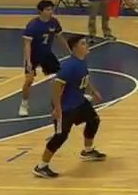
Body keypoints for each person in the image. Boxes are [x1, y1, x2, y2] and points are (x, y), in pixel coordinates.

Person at [33, 34, 106, 178]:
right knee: (60, 136)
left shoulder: (81, 61)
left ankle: (88, 150)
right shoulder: (69, 66)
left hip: (79, 102)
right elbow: (56, 86)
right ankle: (41, 166)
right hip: (66, 108)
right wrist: (57, 108)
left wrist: (93, 91)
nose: (87, 46)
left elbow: (85, 78)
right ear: (75, 48)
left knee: (94, 120)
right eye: (83, 44)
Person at [20, 0, 64, 117]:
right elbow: (27, 45)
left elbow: (60, 37)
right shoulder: (33, 25)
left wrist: (70, 51)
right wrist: (28, 61)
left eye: (51, 9)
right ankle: (24, 105)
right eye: (48, 9)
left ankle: (59, 101)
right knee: (29, 80)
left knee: (62, 78)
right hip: (33, 55)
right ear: (40, 11)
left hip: (47, 54)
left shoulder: (54, 22)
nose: (51, 12)